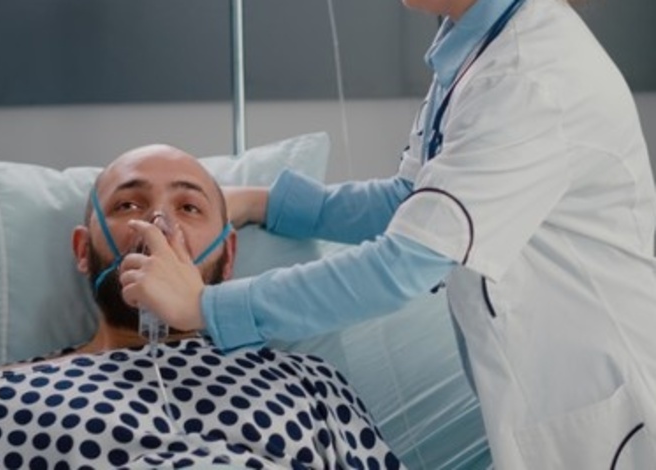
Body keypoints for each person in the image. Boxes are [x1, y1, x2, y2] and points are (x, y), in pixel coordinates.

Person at [118, 1, 656, 468]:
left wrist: (205, 306)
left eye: (187, 204)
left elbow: (402, 265)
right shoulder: (473, 48)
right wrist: (262, 202)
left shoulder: (528, 79)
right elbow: (414, 200)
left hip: (608, 416)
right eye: (127, 204)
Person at [0, 145, 405, 470]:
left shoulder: (305, 383)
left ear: (228, 256)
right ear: (83, 250)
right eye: (128, 206)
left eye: (189, 208)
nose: (157, 223)